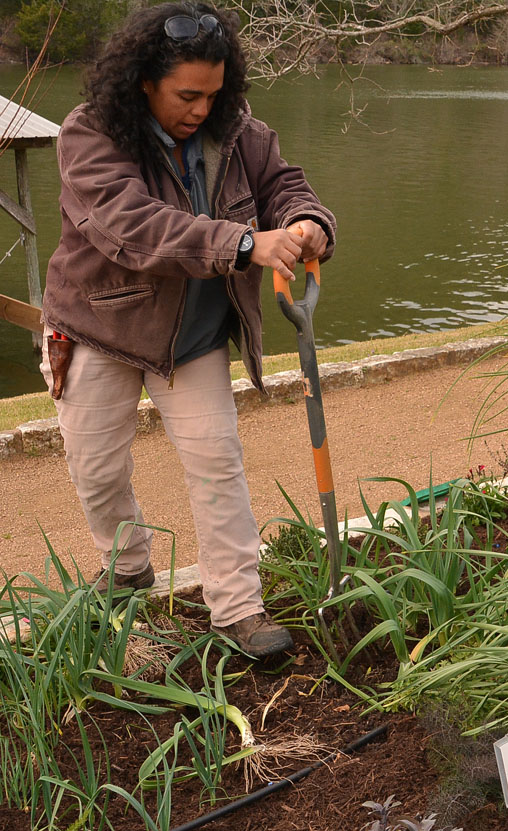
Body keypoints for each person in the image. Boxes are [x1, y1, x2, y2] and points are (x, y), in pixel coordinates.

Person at [40, 1, 336, 658]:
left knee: (217, 467)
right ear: (144, 79)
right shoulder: (89, 134)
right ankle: (126, 569)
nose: (202, 109)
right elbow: (131, 226)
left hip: (195, 339)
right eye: (187, 95)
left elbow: (284, 186)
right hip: (97, 328)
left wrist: (305, 221)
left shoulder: (242, 135)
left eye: (215, 93)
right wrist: (242, 244)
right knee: (98, 470)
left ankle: (238, 610)